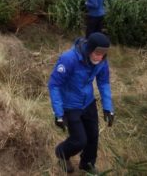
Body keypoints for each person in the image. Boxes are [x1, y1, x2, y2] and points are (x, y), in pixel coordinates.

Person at [48, 32, 114, 174]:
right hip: (70, 106)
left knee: (93, 136)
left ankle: (87, 164)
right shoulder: (69, 59)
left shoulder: (102, 60)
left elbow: (103, 82)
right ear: (89, 48)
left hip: (88, 102)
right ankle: (62, 154)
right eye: (97, 53)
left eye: (103, 53)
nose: (100, 56)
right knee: (79, 140)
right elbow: (54, 85)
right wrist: (59, 113)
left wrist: (108, 107)